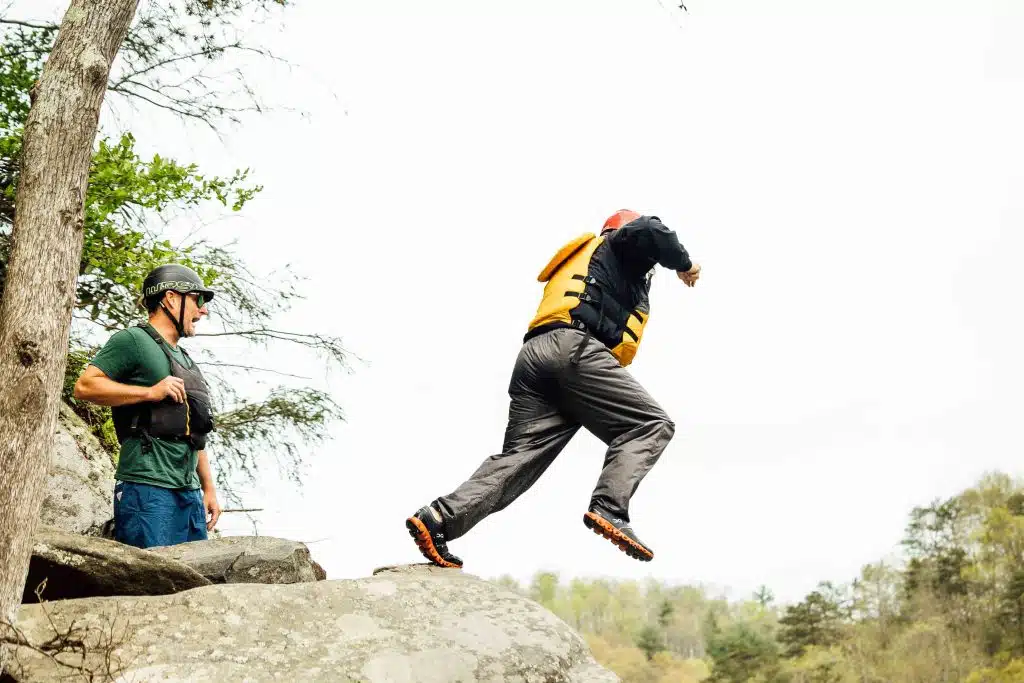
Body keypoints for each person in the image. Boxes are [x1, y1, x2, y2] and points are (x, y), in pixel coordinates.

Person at [406, 210, 701, 568]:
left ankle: (439, 519)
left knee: (519, 460)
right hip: (573, 350)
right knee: (651, 425)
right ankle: (610, 508)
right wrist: (683, 264)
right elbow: (652, 229)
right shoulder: (621, 245)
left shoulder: (594, 259)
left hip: (535, 358)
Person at [73, 264, 221, 549]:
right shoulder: (133, 341)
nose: (203, 311)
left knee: (193, 584)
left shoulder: (187, 361)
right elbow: (85, 386)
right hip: (147, 486)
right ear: (171, 298)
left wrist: (208, 489)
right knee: (150, 583)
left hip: (188, 492)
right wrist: (150, 392)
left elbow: (195, 432)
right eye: (198, 300)